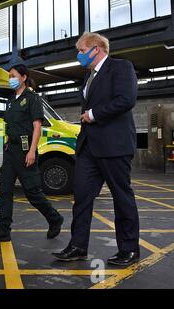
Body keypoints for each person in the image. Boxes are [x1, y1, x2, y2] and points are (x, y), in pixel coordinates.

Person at [52, 32, 140, 266]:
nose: (78, 55)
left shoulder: (121, 67)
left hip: (114, 145)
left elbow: (127, 99)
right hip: (89, 148)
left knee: (121, 197)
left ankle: (129, 249)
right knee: (81, 197)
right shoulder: (89, 77)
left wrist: (93, 114)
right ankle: (78, 245)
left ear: (96, 49)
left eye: (81, 50)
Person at [0, 64, 64, 244]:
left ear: (23, 77)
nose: (10, 79)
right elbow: (11, 124)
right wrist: (7, 142)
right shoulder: (11, 100)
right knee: (4, 190)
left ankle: (54, 218)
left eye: (13, 76)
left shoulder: (32, 98)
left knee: (32, 192)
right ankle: (3, 230)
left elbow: (37, 127)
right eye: (9, 76)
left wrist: (31, 151)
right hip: (10, 150)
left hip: (24, 149)